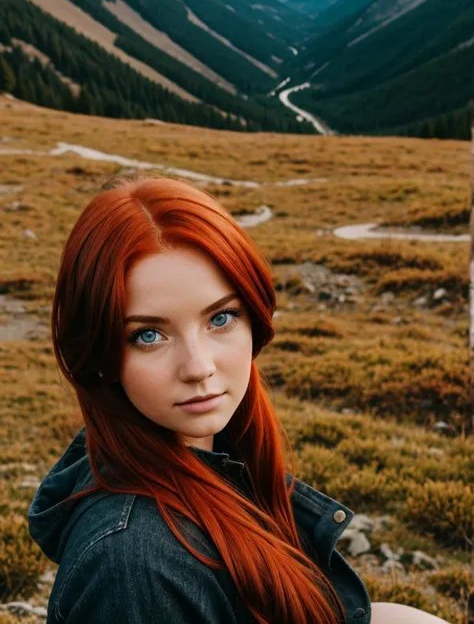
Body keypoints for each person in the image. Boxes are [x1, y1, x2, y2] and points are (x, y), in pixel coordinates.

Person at [27, 175, 451, 624]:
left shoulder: (220, 459)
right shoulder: (134, 567)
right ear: (98, 353)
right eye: (148, 335)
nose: (198, 366)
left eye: (221, 318)